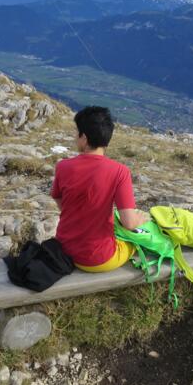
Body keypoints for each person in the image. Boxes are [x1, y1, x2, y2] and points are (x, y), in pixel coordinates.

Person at [50, 106, 148, 272]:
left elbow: (61, 202)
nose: (75, 137)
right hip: (97, 260)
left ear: (84, 138)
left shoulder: (63, 166)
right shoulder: (120, 171)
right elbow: (130, 223)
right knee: (137, 240)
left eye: (77, 133)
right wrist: (141, 220)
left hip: (63, 250)